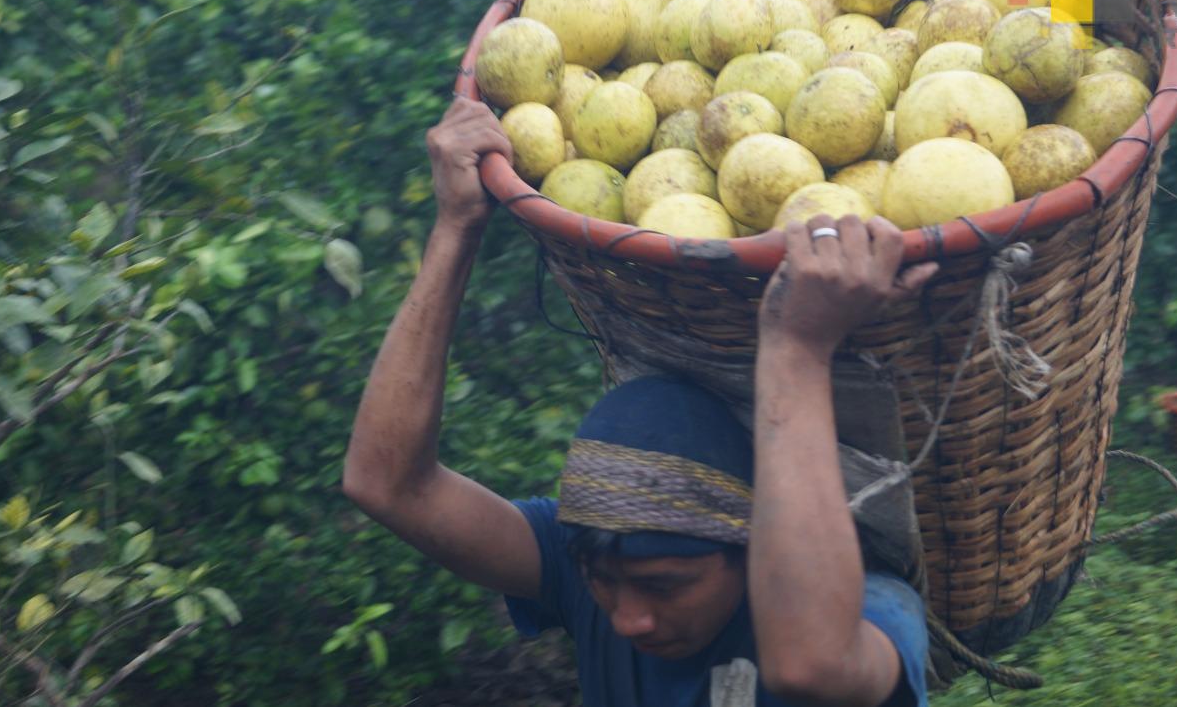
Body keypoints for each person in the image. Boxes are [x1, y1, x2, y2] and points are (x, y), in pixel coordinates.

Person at [342, 96, 940, 706]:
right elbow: (388, 484)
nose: (629, 620)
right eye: (602, 583)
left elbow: (811, 667)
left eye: (666, 586)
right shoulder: (591, 560)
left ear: (754, 545)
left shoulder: (868, 608)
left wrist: (799, 348)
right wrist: (456, 226)